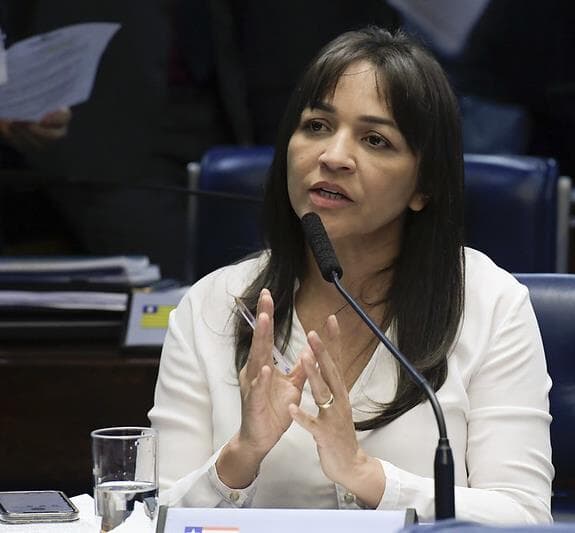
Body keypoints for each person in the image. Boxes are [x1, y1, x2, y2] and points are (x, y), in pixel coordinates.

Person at [148, 27, 553, 524]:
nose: (333, 156)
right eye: (317, 125)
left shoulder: (490, 304)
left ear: (423, 186)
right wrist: (240, 457)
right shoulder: (212, 305)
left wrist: (367, 475)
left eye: (375, 139)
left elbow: (524, 517)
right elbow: (154, 517)